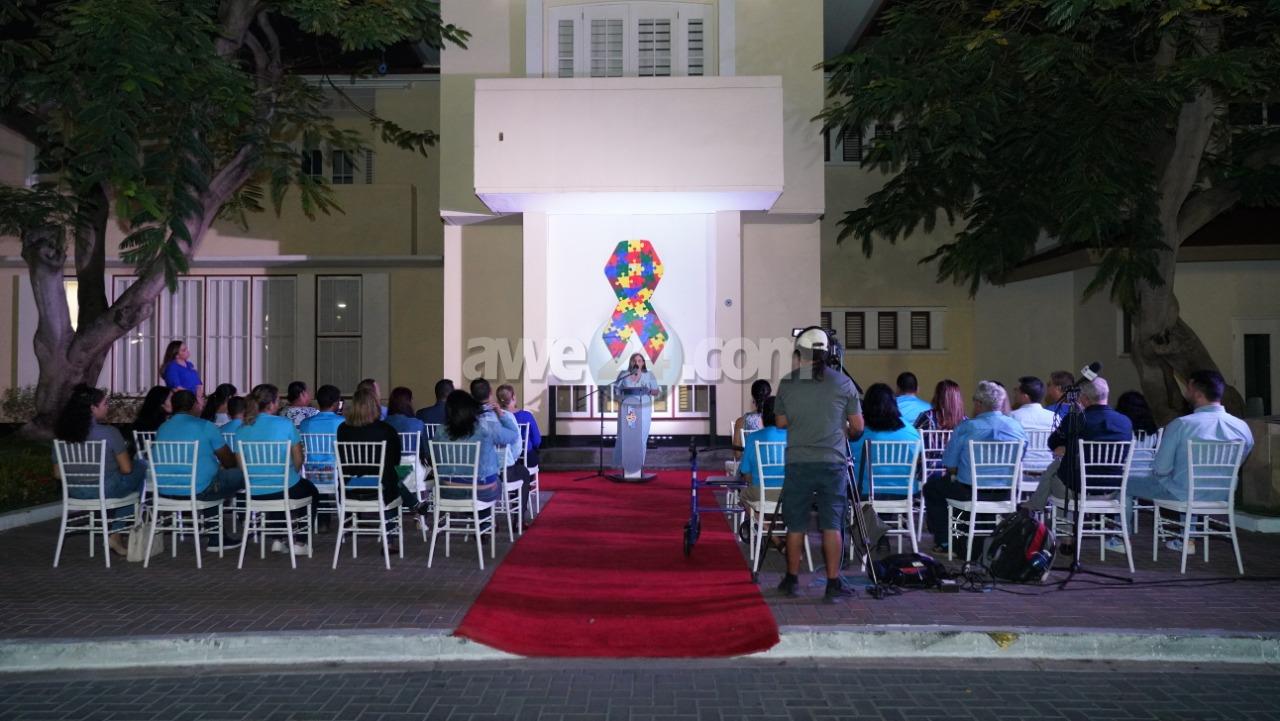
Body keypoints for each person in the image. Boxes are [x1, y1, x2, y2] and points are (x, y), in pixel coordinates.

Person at [774, 327, 863, 603]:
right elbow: (858, 427)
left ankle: (791, 580)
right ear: (827, 353)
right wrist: (842, 428)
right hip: (832, 463)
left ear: (800, 354)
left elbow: (780, 422)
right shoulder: (844, 383)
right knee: (831, 525)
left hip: (798, 462)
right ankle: (833, 584)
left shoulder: (788, 383)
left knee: (796, 525)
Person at [1127, 370, 1254, 554]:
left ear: (1197, 393)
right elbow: (1239, 462)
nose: (1186, 392)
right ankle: (1187, 539)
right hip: (1221, 494)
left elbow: (1161, 468)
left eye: (1188, 388)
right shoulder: (1242, 428)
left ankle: (1120, 538)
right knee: (1186, 480)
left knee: (1125, 483)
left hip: (1184, 493)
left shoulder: (1182, 425)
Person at [1021, 378, 1133, 544]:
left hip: (1077, 490)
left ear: (1085, 398)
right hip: (1111, 491)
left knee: (1058, 475)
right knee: (1061, 471)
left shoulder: (1077, 419)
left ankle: (1063, 536)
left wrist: (1068, 447)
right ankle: (1038, 508)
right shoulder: (1125, 422)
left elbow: (1053, 442)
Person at [923, 381, 1026, 554]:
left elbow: (950, 464)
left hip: (969, 492)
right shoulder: (1016, 427)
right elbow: (1021, 457)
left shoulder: (967, 427)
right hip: (1006, 492)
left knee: (932, 488)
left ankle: (945, 540)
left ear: (978, 403)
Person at [52, 384, 148, 556]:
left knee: (130, 481)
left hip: (75, 491)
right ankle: (116, 531)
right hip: (106, 488)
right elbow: (127, 469)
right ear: (92, 408)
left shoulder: (62, 435)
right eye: (105, 404)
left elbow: (58, 474)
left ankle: (115, 529)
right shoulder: (109, 432)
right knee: (140, 467)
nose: (107, 407)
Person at [154, 390, 242, 551]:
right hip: (199, 489)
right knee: (240, 476)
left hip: (165, 490)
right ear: (194, 405)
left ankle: (216, 538)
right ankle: (257, 519)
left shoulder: (163, 428)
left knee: (211, 479)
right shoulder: (205, 426)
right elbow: (229, 461)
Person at [234, 384, 317, 555]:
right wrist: (293, 472)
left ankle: (278, 539)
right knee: (311, 492)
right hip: (284, 485)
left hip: (255, 490)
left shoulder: (242, 429)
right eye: (278, 399)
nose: (280, 403)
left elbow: (241, 466)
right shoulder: (285, 424)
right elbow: (298, 458)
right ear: (271, 404)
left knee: (275, 491)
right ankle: (300, 542)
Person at [336, 388, 419, 511]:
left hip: (349, 486)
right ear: (375, 406)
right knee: (397, 473)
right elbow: (395, 461)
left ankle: (413, 503)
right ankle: (400, 512)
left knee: (391, 475)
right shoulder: (386, 430)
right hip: (381, 488)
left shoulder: (342, 429)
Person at [437, 389, 520, 505]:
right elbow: (514, 435)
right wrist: (501, 414)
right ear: (471, 407)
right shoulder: (486, 426)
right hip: (483, 490)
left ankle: (467, 513)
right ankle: (483, 517)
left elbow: (437, 457)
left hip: (449, 489)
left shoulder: (440, 430)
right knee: (497, 481)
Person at [850, 383, 922, 497]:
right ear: (894, 404)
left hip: (865, 493)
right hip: (906, 494)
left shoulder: (857, 432)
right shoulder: (911, 432)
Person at [737, 395, 787, 528]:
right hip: (789, 493)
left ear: (763, 416)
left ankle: (767, 530)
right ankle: (788, 531)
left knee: (743, 496)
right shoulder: (793, 437)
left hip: (761, 493)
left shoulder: (753, 437)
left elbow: (745, 472)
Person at [611, 353, 661, 473]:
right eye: (634, 360)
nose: (637, 363)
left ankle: (638, 466)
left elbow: (656, 391)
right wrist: (620, 399)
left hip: (643, 409)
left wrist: (649, 390)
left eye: (639, 360)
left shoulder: (649, 375)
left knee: (641, 437)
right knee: (626, 436)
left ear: (643, 363)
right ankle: (625, 467)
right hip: (628, 409)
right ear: (631, 362)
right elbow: (616, 390)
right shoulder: (624, 374)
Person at [496, 383, 539, 520]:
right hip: (522, 457)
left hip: (500, 461)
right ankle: (519, 511)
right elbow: (537, 440)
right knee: (527, 464)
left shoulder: (495, 418)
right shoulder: (526, 416)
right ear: (513, 397)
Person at [733, 380, 772, 460]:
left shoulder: (741, 421)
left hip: (750, 465)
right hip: (773, 465)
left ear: (753, 398)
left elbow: (737, 455)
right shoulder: (777, 421)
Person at [129, 386, 172, 455]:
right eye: (171, 399)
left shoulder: (140, 423)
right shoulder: (166, 424)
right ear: (161, 403)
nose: (175, 401)